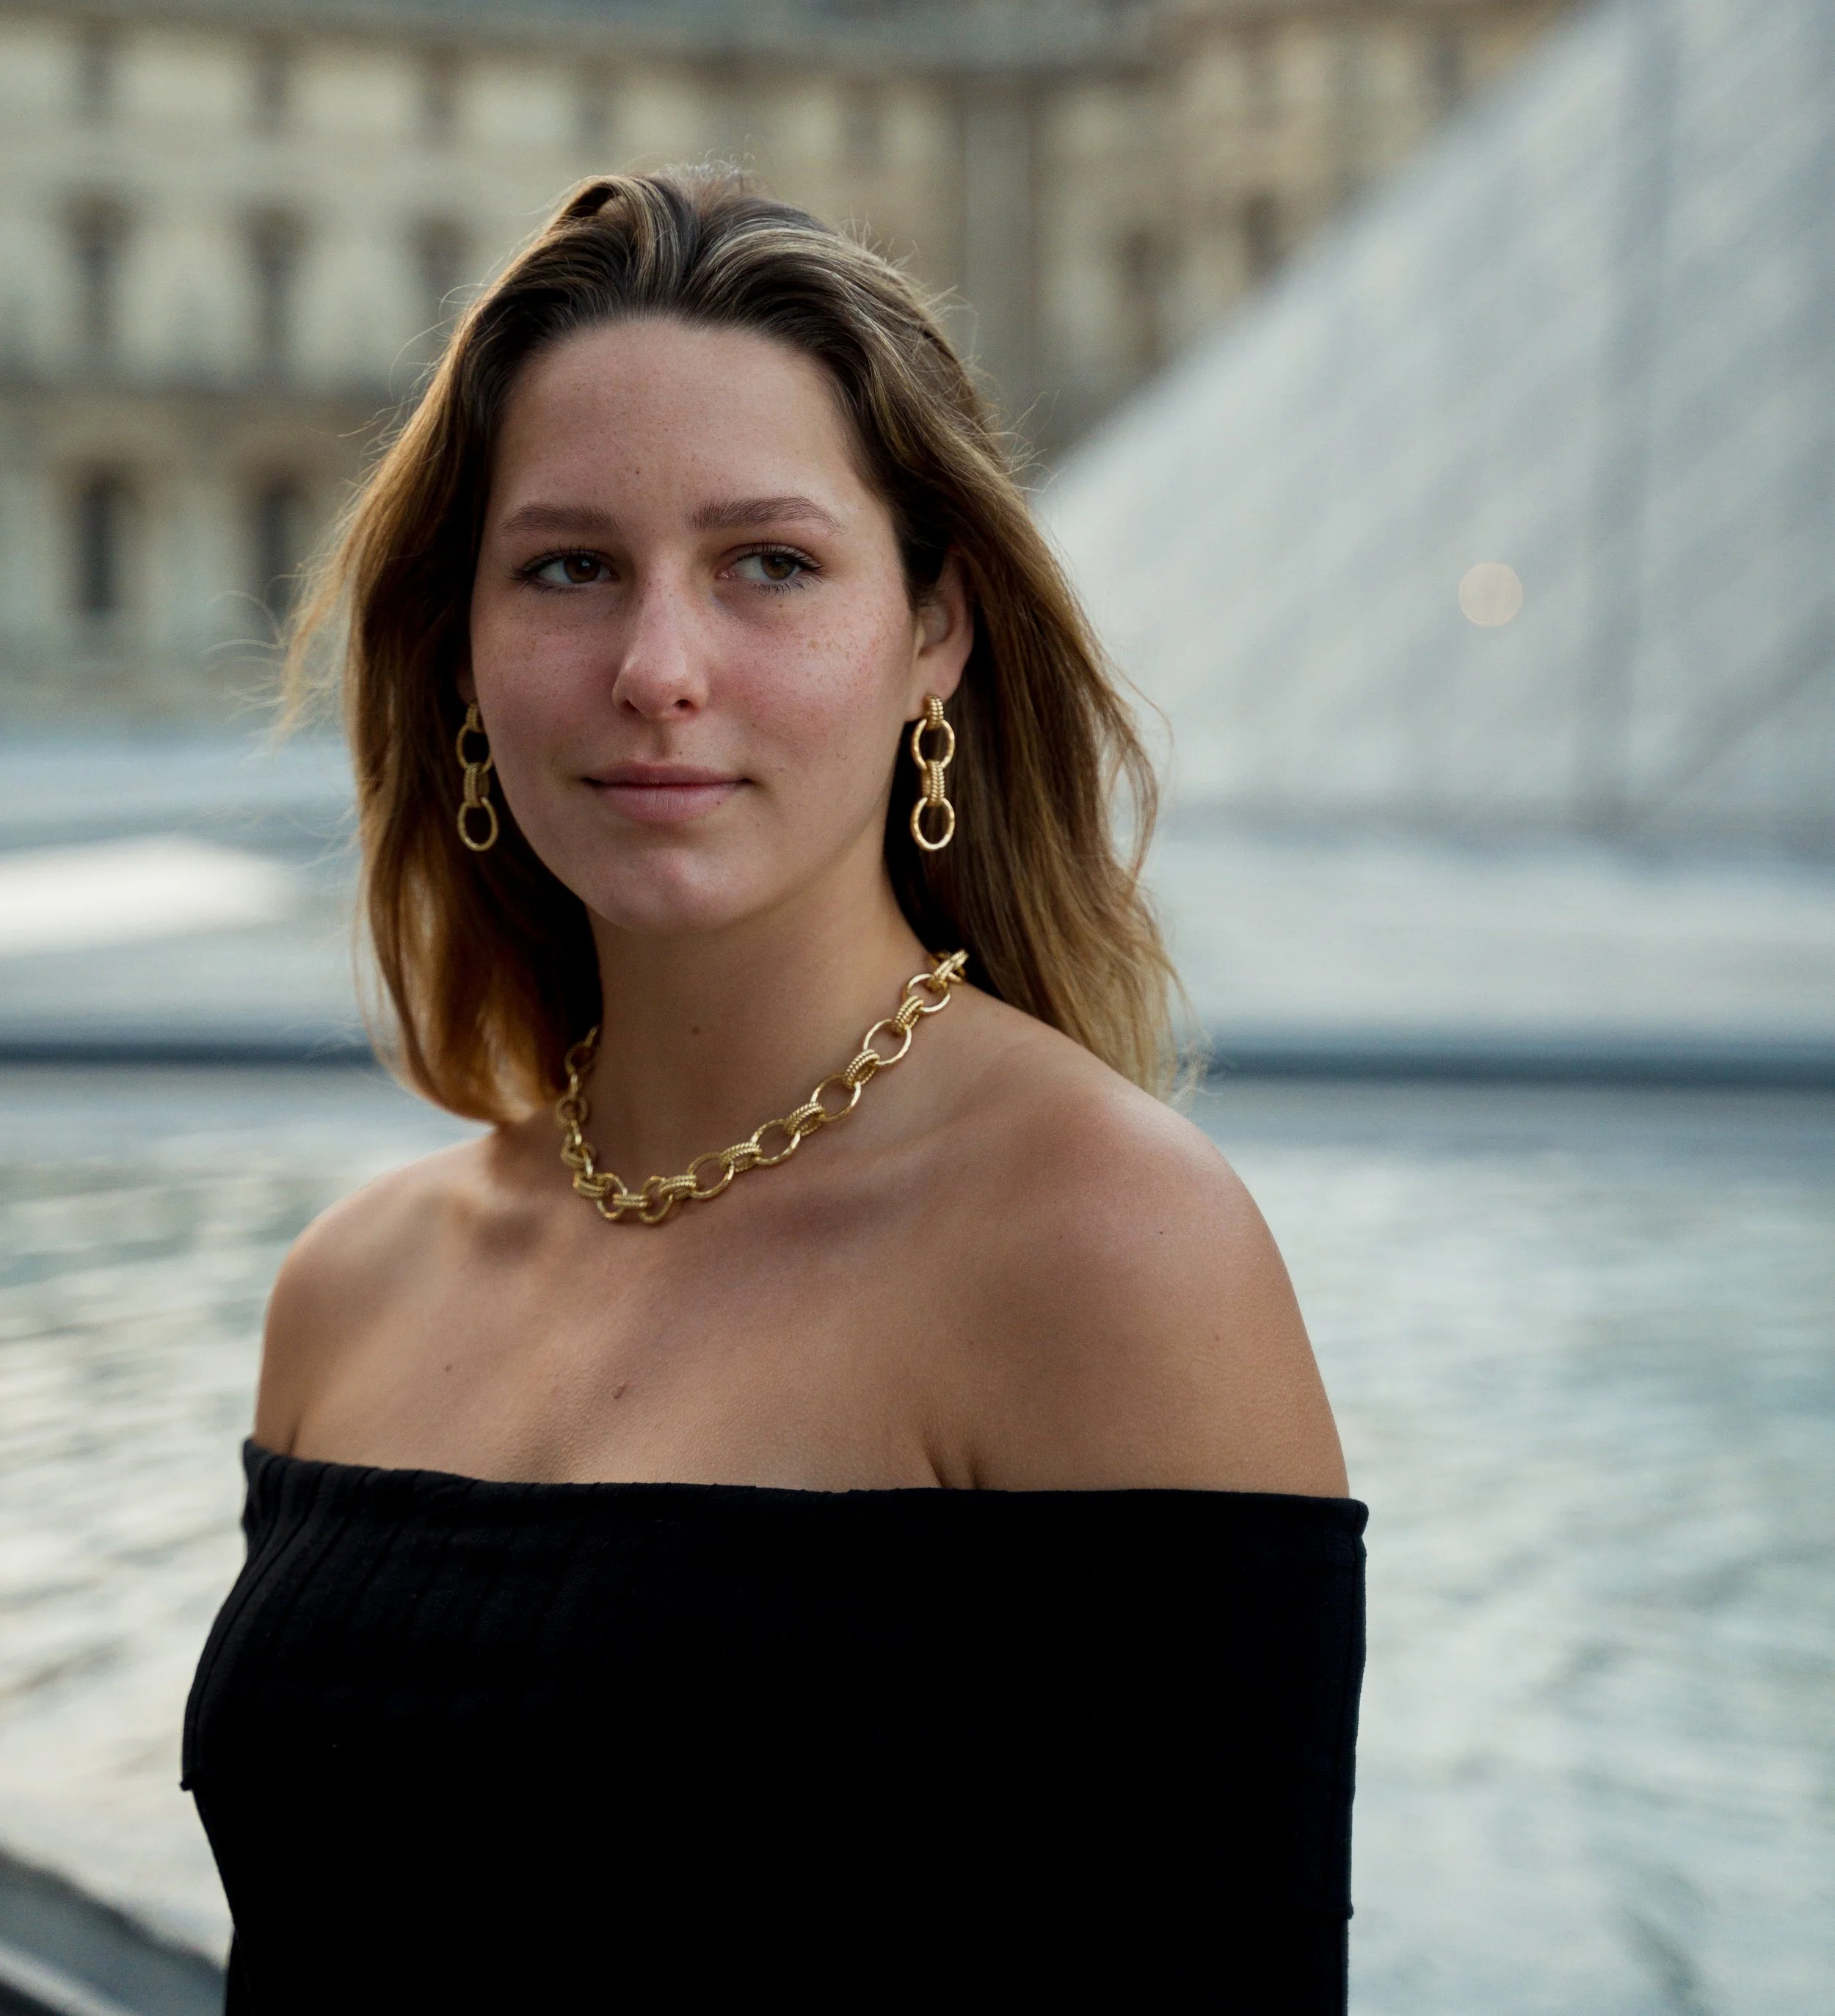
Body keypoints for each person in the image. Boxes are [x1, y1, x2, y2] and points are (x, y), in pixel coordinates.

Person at [184, 167, 1365, 2012]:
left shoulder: (1103, 1242)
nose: (657, 669)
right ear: (461, 648)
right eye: (568, 566)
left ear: (934, 631)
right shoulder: (349, 1288)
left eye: (769, 564)